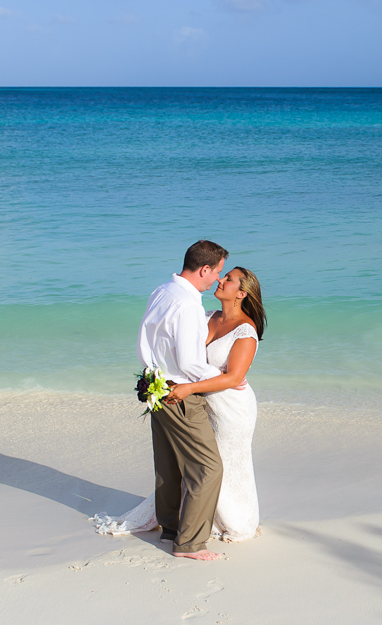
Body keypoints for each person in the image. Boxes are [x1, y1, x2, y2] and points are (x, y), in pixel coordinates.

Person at [91, 262, 266, 546]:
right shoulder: (207, 316)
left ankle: (233, 520)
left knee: (225, 461)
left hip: (232, 408)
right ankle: (192, 517)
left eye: (230, 280)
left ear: (242, 293)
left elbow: (234, 377)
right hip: (204, 402)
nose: (220, 281)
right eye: (222, 276)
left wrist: (189, 388)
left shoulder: (245, 331)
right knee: (198, 461)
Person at [136, 240, 228, 561]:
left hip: (153, 387)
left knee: (169, 464)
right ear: (204, 269)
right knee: (208, 467)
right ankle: (189, 544)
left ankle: (171, 528)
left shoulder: (162, 291)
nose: (219, 278)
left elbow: (144, 338)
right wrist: (223, 376)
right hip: (179, 392)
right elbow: (190, 362)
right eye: (217, 272)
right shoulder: (189, 305)